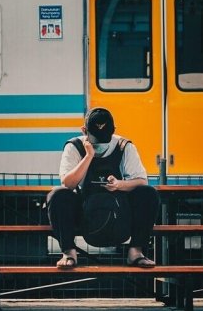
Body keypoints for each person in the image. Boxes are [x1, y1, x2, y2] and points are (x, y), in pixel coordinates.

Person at [48, 107, 160, 269]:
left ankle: (136, 251)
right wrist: (88, 156)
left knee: (148, 193)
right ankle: (68, 252)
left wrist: (120, 185)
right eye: (96, 139)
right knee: (57, 195)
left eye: (104, 139)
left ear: (114, 131)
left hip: (118, 209)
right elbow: (68, 184)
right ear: (84, 131)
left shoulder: (124, 146)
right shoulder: (74, 146)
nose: (100, 143)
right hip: (84, 211)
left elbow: (141, 181)